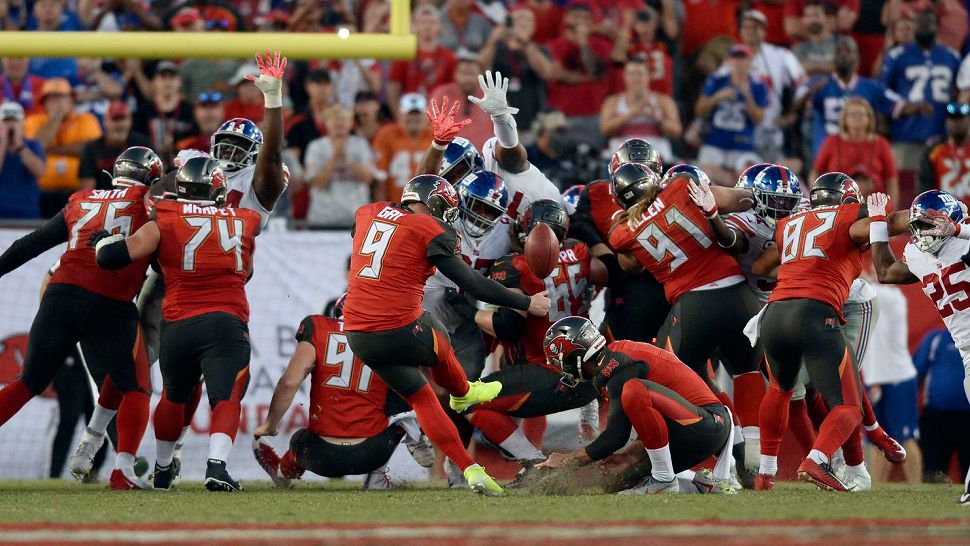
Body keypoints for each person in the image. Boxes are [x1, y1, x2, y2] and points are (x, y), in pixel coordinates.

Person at [71, 50, 290, 484]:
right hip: (171, 277)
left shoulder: (263, 178)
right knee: (138, 365)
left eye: (238, 150)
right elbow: (151, 201)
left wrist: (272, 105)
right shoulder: (194, 170)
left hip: (214, 283)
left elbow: (271, 159)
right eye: (223, 147)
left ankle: (165, 457)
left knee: (185, 381)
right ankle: (95, 434)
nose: (228, 157)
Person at [342, 174, 551, 497]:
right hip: (398, 325)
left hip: (357, 332)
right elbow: (471, 282)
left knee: (422, 397)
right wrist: (526, 302)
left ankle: (469, 469)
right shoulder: (430, 228)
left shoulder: (369, 211)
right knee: (436, 331)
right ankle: (464, 391)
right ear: (436, 205)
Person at [95, 156, 260, 492]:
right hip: (226, 320)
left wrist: (100, 242)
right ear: (217, 189)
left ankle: (163, 466)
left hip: (178, 323)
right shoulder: (245, 219)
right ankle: (217, 466)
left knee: (173, 396)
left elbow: (117, 256)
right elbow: (248, 271)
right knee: (227, 396)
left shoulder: (165, 217)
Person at [0, 145, 160, 490]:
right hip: (110, 304)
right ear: (151, 180)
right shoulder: (150, 206)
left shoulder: (81, 199)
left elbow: (32, 243)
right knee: (136, 386)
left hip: (60, 296)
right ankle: (123, 472)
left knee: (28, 382)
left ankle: (101, 450)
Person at [608, 163, 764, 481]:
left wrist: (630, 218)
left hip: (693, 306)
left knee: (685, 381)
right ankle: (754, 466)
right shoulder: (681, 184)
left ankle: (729, 454)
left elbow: (632, 265)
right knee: (749, 376)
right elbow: (743, 200)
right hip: (738, 296)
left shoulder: (622, 232)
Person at [751, 181, 909, 492]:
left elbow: (762, 266)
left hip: (774, 313)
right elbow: (891, 222)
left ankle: (765, 474)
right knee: (848, 404)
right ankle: (818, 460)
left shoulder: (788, 223)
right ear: (848, 202)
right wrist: (913, 217)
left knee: (779, 389)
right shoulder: (848, 218)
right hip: (815, 312)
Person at [448, 200, 608, 480]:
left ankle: (534, 463)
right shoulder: (580, 252)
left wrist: (469, 312)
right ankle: (587, 417)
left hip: (551, 373)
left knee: (467, 401)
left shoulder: (517, 265)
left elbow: (507, 326)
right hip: (591, 372)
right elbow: (607, 273)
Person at [537, 316, 733, 495]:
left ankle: (664, 480)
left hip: (707, 424)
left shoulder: (619, 366)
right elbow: (651, 421)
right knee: (616, 483)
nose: (563, 370)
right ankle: (698, 483)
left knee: (634, 390)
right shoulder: (613, 359)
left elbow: (616, 435)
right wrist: (629, 457)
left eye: (561, 363)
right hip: (688, 430)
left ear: (576, 356)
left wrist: (569, 459)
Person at [252, 306, 434, 489]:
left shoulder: (317, 326)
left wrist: (270, 424)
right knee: (407, 405)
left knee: (300, 439)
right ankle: (386, 469)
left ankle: (283, 472)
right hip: (373, 453)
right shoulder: (391, 335)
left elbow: (289, 382)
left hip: (318, 454)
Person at [868, 188, 970, 504]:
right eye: (920, 225)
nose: (926, 231)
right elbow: (884, 271)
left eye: (932, 224)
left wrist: (959, 230)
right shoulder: (917, 254)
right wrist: (876, 225)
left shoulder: (963, 239)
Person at [567, 138, 670, 344]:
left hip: (652, 286)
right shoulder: (596, 194)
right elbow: (578, 227)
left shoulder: (598, 194)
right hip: (641, 286)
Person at [795, 35, 913, 158]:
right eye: (839, 52)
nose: (844, 56)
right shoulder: (819, 85)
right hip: (828, 156)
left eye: (848, 52)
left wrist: (918, 107)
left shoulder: (871, 87)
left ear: (857, 59)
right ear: (833, 59)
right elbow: (794, 107)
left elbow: (899, 104)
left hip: (863, 156)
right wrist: (809, 93)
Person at [880, 9, 961, 174]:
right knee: (904, 186)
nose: (924, 28)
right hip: (905, 133)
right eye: (920, 24)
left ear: (937, 27)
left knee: (943, 185)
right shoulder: (897, 55)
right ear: (914, 27)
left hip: (943, 135)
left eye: (929, 24)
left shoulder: (951, 56)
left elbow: (960, 94)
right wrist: (904, 107)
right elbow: (882, 91)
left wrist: (954, 114)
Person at [860, 282, 922, 484]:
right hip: (876, 377)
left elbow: (864, 282)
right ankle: (877, 485)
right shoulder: (874, 297)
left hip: (897, 376)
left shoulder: (891, 296)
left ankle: (916, 485)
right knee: (878, 439)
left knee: (905, 436)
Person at [24, 78, 103, 217]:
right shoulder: (33, 121)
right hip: (41, 194)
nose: (58, 102)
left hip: (77, 193)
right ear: (44, 102)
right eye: (52, 98)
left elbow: (90, 149)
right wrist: (56, 118)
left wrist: (51, 151)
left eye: (62, 97)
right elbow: (35, 148)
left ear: (71, 100)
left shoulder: (86, 119)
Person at [695, 45, 768, 186]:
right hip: (714, 143)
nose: (739, 63)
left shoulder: (758, 85)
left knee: (749, 180)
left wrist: (747, 96)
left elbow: (758, 119)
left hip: (743, 146)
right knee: (703, 177)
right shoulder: (717, 80)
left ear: (750, 61)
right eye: (736, 58)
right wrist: (717, 97)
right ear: (730, 60)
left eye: (743, 58)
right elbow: (699, 110)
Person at [739, 9, 806, 164]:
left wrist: (792, 113)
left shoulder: (780, 55)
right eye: (746, 27)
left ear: (764, 31)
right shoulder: (734, 56)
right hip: (740, 131)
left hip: (771, 129)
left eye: (755, 27)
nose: (750, 32)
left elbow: (803, 85)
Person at [545, 3, 613, 147]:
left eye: (585, 18)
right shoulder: (554, 45)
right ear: (566, 19)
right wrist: (588, 78)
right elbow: (557, 75)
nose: (580, 21)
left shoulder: (601, 45)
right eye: (576, 17)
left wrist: (583, 44)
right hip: (562, 114)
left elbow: (593, 69)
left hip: (594, 114)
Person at [477, 6, 553, 131]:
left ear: (534, 27)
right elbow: (480, 67)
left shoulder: (540, 49)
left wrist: (526, 43)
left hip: (532, 114)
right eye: (519, 18)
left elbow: (546, 72)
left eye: (529, 20)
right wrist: (494, 38)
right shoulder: (496, 48)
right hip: (499, 117)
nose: (523, 23)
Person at [813, 97, 899, 202]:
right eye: (853, 114)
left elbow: (891, 179)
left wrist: (891, 208)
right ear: (845, 118)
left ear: (869, 118)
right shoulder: (832, 141)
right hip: (837, 204)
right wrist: (819, 199)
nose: (857, 118)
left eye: (861, 114)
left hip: (874, 204)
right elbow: (815, 171)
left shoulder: (881, 143)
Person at [303, 104, 374, 228]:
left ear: (351, 123)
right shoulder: (316, 147)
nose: (339, 122)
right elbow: (317, 183)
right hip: (323, 218)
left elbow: (367, 178)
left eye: (344, 118)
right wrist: (335, 157)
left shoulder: (361, 145)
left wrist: (347, 157)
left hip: (356, 218)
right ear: (326, 122)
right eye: (334, 118)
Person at [914, 328, 970, 483]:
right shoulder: (936, 338)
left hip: (968, 418)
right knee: (933, 472)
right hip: (936, 416)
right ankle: (930, 504)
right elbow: (917, 373)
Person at [599, 58, 681, 163]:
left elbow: (676, 131)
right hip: (622, 153)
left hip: (657, 152)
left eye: (640, 73)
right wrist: (630, 114)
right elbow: (605, 129)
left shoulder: (663, 101)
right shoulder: (613, 101)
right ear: (625, 76)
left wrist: (657, 119)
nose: (636, 78)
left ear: (648, 76)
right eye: (632, 74)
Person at [387, 5, 457, 115]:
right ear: (415, 26)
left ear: (440, 26)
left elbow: (454, 91)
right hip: (410, 114)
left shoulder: (449, 57)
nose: (427, 26)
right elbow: (393, 89)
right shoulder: (404, 54)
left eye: (431, 22)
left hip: (439, 116)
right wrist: (398, 116)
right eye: (422, 22)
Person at [131, 61, 196, 166]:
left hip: (185, 166)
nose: (167, 82)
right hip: (149, 165)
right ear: (153, 82)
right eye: (163, 77)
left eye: (171, 77)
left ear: (180, 81)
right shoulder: (143, 113)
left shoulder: (190, 111)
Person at [372, 93, 433, 203]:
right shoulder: (387, 134)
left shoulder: (435, 136)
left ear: (426, 116)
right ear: (400, 114)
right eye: (409, 114)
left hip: (425, 207)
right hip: (394, 205)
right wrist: (382, 208)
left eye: (417, 114)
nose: (413, 118)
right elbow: (379, 178)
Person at [78, 100, 151, 190]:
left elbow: (154, 181)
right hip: (102, 201)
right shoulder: (91, 149)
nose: (119, 125)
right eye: (115, 119)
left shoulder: (143, 145)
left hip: (137, 200)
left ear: (130, 121)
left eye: (123, 119)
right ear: (105, 122)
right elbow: (87, 190)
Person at [429, 52, 492, 150]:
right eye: (463, 73)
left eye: (471, 74)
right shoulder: (442, 95)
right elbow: (428, 129)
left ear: (481, 75)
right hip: (449, 158)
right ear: (455, 74)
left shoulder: (491, 97)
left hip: (485, 159)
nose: (467, 79)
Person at [0, 101, 45, 219]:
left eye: (14, 121)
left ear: (22, 124)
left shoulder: (32, 145)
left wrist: (20, 146)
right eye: (6, 121)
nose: (11, 125)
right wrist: (4, 144)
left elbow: (39, 172)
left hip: (27, 214)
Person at [919, 102, 970, 206]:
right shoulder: (933, 149)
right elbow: (925, 183)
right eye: (953, 119)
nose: (957, 123)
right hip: (943, 214)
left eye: (961, 119)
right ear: (946, 122)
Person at [285, 68, 335, 163]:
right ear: (307, 86)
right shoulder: (298, 117)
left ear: (332, 87)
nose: (322, 88)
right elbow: (293, 151)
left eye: (326, 83)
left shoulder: (340, 117)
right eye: (318, 83)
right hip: (306, 169)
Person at [792, 1, 838, 77]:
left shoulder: (844, 42)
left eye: (817, 15)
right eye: (808, 16)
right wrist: (830, 66)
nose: (813, 20)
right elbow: (798, 71)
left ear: (827, 18)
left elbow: (846, 68)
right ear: (804, 20)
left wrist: (813, 66)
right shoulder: (799, 48)